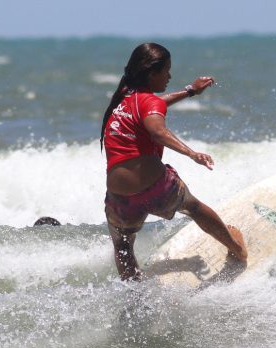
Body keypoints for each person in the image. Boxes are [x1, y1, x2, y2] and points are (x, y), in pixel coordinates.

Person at [101, 42, 247, 281]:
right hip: (154, 186)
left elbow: (156, 104)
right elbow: (158, 130)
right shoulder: (149, 103)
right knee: (194, 207)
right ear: (151, 73)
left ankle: (136, 298)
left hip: (120, 197)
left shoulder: (122, 100)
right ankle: (237, 249)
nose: (170, 76)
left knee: (123, 245)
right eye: (166, 70)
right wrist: (192, 153)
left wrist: (190, 91)